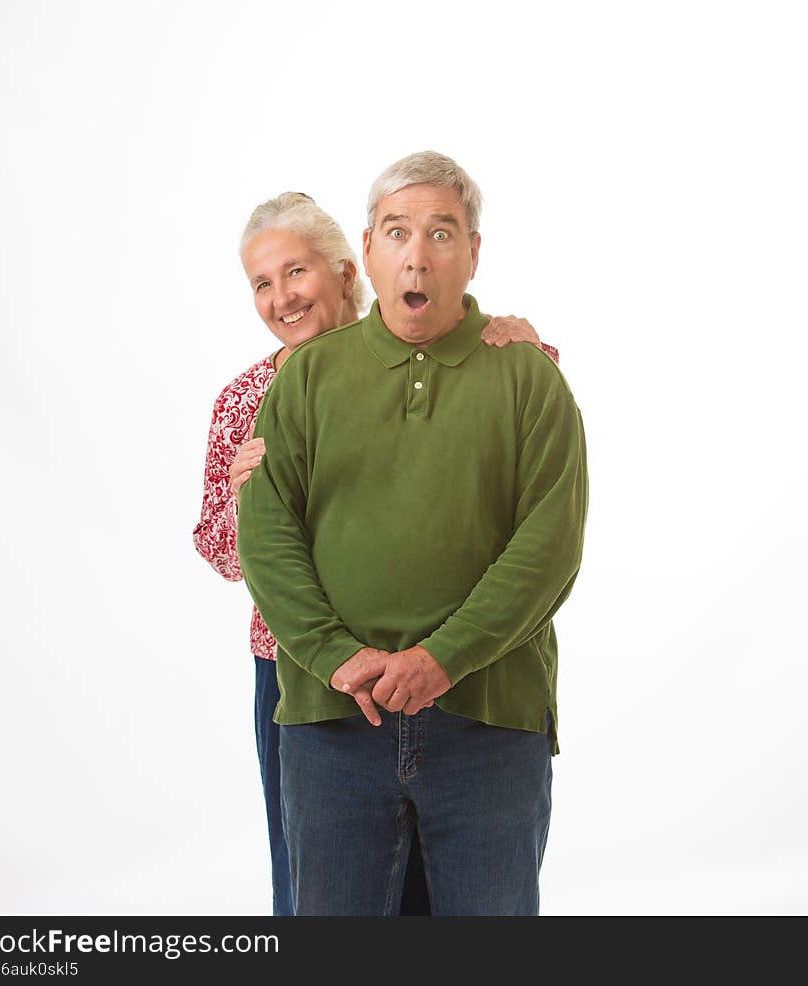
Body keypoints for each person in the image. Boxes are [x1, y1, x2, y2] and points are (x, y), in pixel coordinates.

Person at [236, 152, 588, 917]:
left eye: (441, 233)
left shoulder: (528, 376)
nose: (418, 254)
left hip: (488, 722)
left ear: (473, 252)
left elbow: (549, 546)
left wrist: (441, 659)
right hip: (333, 722)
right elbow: (261, 537)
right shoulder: (298, 381)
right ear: (368, 251)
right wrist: (338, 657)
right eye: (398, 233)